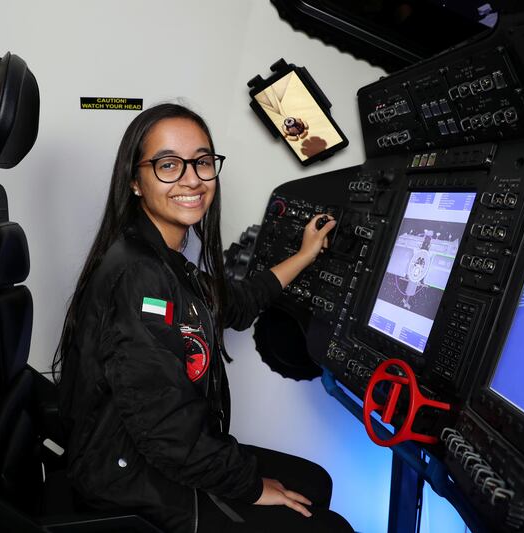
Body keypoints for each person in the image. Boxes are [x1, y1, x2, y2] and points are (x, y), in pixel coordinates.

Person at [54, 103, 352, 533]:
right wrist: (250, 486)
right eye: (169, 165)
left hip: (152, 452)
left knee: (315, 483)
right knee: (330, 527)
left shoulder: (163, 258)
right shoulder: (140, 274)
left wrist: (303, 256)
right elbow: (165, 428)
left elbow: (235, 303)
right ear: (135, 182)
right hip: (131, 478)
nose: (192, 178)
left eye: (203, 162)